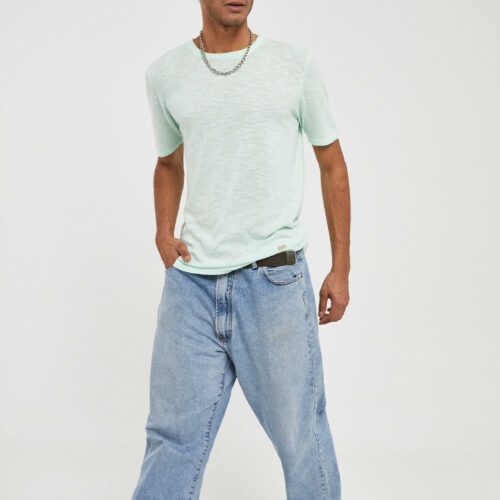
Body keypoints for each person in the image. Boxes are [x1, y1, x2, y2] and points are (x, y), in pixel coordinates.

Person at [132, 1, 351, 498]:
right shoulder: (165, 74)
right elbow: (168, 163)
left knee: (301, 437)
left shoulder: (295, 65)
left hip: (274, 283)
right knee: (171, 440)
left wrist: (341, 268)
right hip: (190, 286)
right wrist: (163, 233)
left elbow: (333, 164)